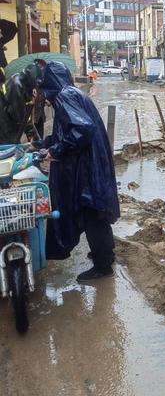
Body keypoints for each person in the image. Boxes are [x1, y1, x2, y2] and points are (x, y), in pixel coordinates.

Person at [31, 61, 120, 282]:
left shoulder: (64, 97)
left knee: (92, 214)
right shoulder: (70, 94)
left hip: (87, 167)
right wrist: (41, 144)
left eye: (43, 90)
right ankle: (105, 255)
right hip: (92, 163)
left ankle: (103, 266)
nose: (45, 97)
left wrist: (56, 151)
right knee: (96, 212)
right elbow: (66, 130)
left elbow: (81, 129)